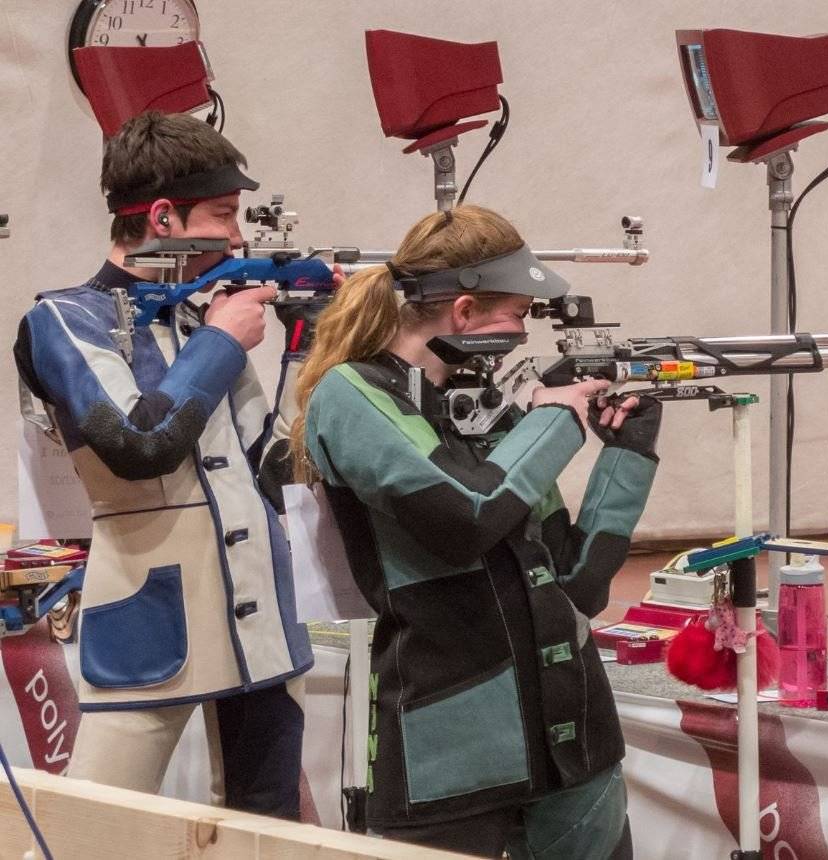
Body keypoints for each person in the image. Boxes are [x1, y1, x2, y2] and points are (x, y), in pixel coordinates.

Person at [291, 204, 660, 858]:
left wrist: (625, 457)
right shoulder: (352, 395)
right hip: (450, 743)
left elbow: (577, 584)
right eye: (517, 313)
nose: (522, 332)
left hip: (573, 736)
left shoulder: (482, 402)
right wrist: (553, 422)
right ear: (462, 313)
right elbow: (464, 516)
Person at [12, 111, 315, 819]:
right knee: (93, 828)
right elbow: (136, 442)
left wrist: (309, 347)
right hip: (150, 622)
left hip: (263, 616)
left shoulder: (196, 320)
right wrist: (221, 342)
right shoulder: (64, 319)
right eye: (223, 213)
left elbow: (273, 465)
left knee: (265, 833)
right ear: (162, 217)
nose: (237, 237)